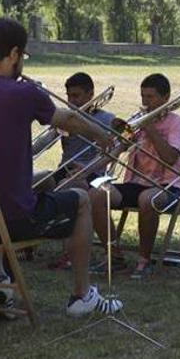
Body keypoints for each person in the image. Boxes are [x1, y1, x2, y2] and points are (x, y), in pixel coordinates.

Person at [0, 17, 121, 317]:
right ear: (12, 54)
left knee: (31, 184)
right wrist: (105, 137)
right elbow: (68, 119)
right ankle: (81, 295)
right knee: (81, 201)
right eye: (21, 56)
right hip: (6, 221)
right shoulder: (23, 93)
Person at [88, 73, 180, 279]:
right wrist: (115, 140)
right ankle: (114, 256)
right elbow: (116, 151)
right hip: (135, 183)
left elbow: (169, 158)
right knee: (96, 193)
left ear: (166, 97)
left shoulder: (177, 123)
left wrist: (150, 129)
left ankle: (144, 261)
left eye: (150, 97)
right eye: (143, 96)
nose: (145, 102)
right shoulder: (137, 122)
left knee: (147, 199)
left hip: (167, 186)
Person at [40, 72, 116, 270]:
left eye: (77, 96)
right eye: (69, 96)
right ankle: (24, 243)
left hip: (92, 173)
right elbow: (42, 146)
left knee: (68, 189)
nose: (71, 101)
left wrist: (86, 168)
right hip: (65, 169)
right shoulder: (65, 117)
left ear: (91, 94)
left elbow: (113, 151)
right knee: (32, 184)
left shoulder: (107, 119)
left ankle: (73, 253)